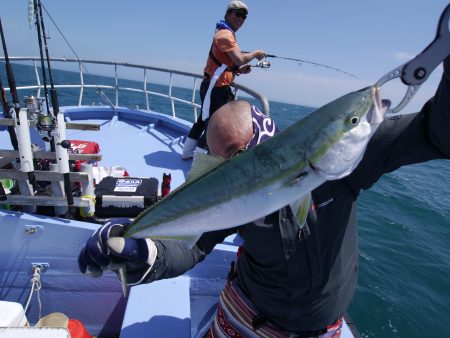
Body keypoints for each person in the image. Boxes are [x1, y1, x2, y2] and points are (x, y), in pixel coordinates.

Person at [79, 57, 450, 337]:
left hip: (321, 327)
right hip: (244, 310)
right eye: (220, 161)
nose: (233, 171)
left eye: (239, 155)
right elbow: (191, 246)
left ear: (265, 135)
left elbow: (438, 133)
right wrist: (141, 251)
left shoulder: (345, 158)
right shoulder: (231, 194)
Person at [182, 0, 266, 159]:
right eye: (238, 14)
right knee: (213, 126)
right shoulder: (225, 35)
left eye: (244, 17)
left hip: (214, 86)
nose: (240, 19)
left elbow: (225, 64)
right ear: (228, 14)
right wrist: (256, 54)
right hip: (216, 89)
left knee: (203, 120)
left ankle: (187, 153)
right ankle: (197, 164)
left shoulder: (225, 33)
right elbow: (239, 58)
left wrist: (239, 71)